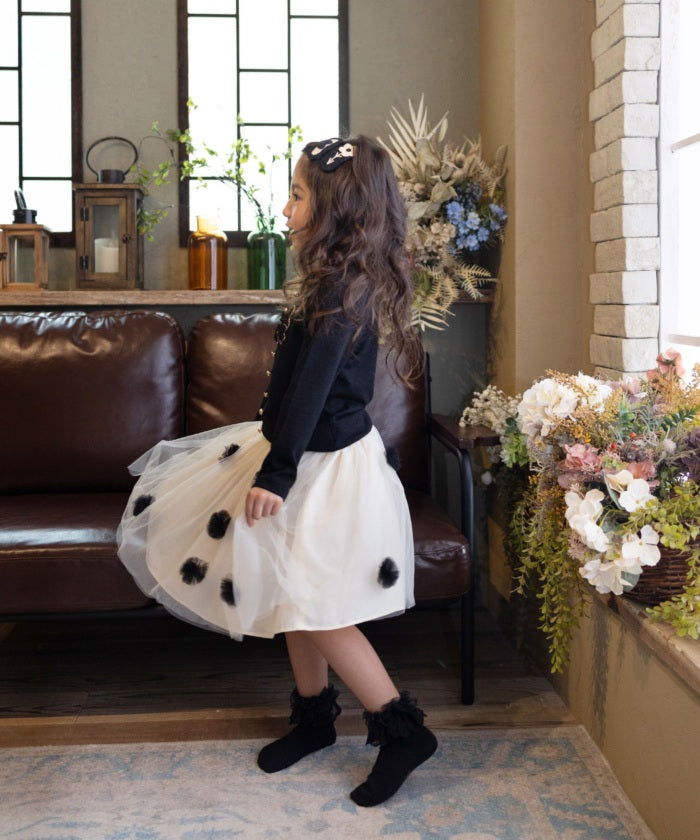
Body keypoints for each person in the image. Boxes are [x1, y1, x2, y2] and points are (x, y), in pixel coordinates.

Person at [117, 135, 437, 807]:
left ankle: (402, 730)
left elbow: (311, 395)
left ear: (337, 208)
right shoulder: (330, 280)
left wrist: (277, 474)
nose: (286, 208)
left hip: (323, 466)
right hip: (302, 455)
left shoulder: (342, 290)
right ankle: (315, 719)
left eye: (297, 196)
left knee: (316, 603)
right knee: (293, 592)